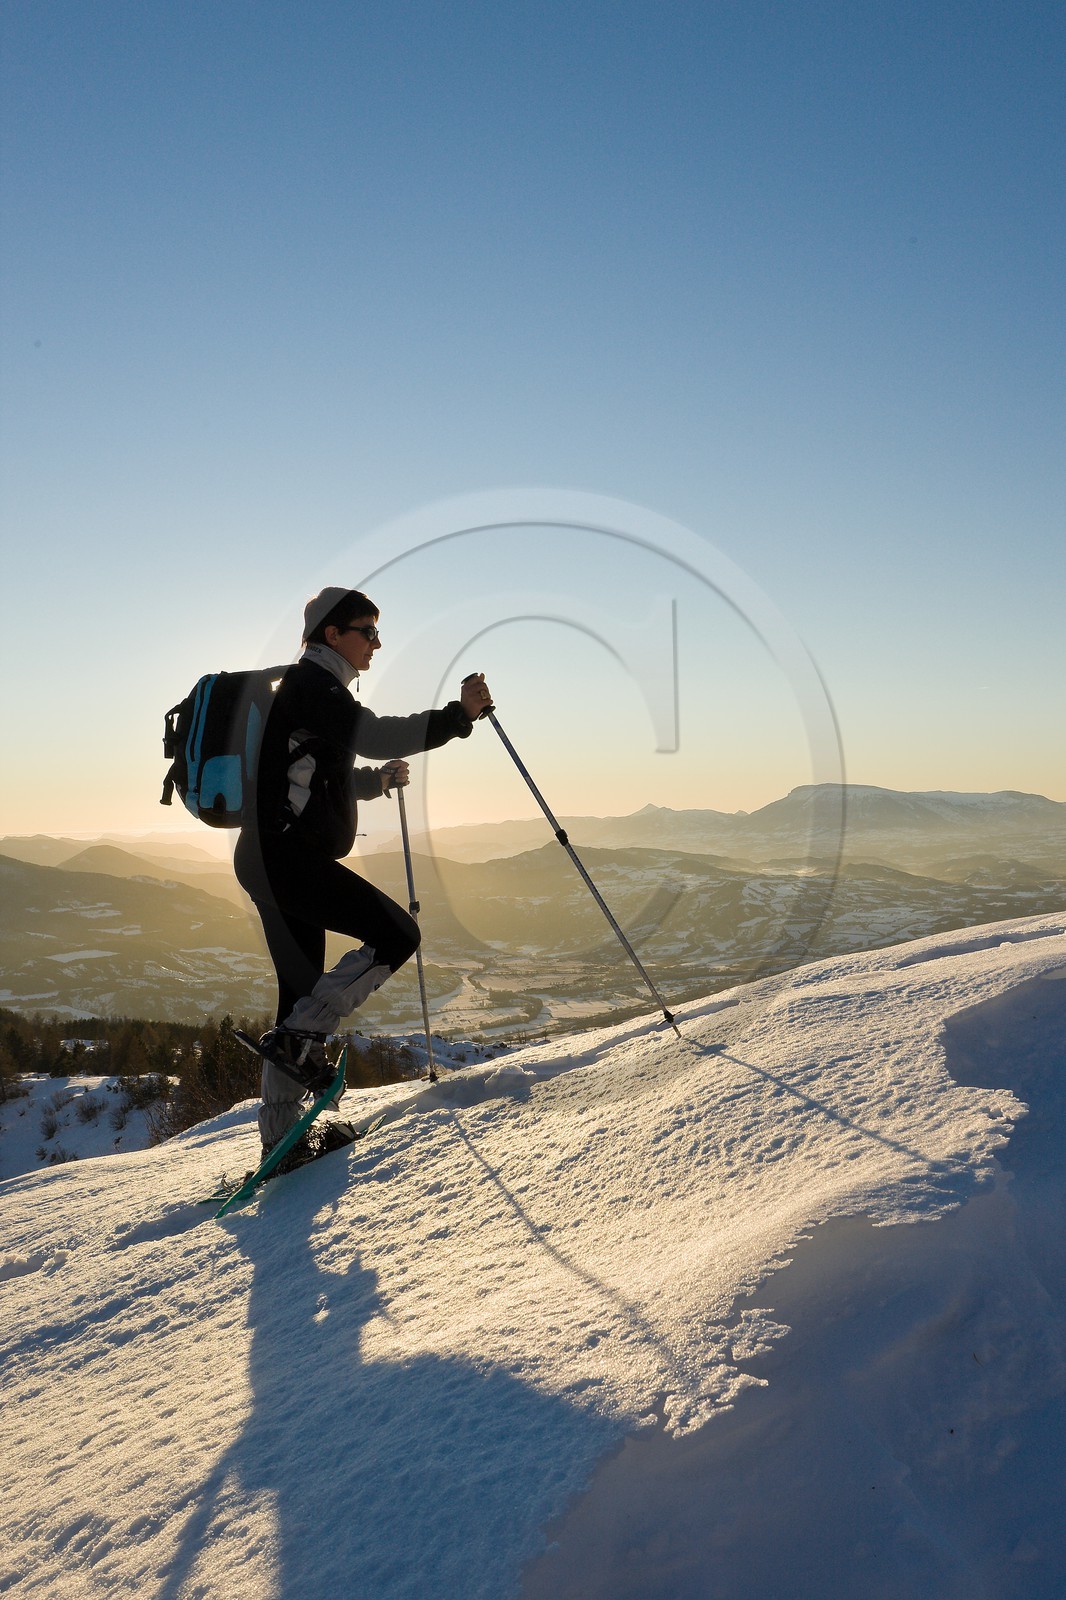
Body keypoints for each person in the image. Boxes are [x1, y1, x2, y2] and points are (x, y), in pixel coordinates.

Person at [233, 586, 493, 1162]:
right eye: (367, 630)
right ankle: (301, 1047)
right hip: (286, 863)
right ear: (333, 635)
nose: (377, 642)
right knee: (399, 934)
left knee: (298, 994)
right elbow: (374, 733)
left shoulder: (307, 692)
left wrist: (374, 783)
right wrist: (460, 716)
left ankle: (281, 1139)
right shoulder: (312, 686)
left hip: (266, 860)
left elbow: (314, 776)